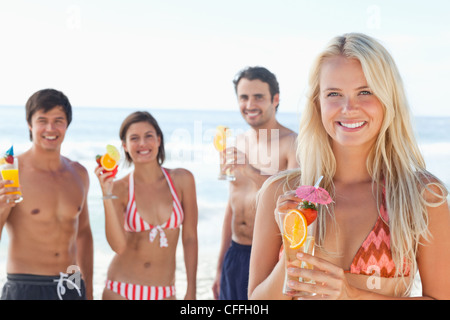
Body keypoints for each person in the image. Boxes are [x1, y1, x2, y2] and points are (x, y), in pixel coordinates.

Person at [248, 33, 450, 300]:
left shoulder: (422, 196)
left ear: (389, 99)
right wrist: (293, 251)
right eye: (334, 93)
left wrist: (352, 295)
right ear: (317, 103)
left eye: (365, 91)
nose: (348, 108)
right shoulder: (282, 193)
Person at [212, 67, 298, 300]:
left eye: (258, 97)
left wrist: (250, 171)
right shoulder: (238, 142)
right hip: (235, 253)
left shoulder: (292, 143)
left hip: (269, 258)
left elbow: (294, 204)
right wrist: (221, 264)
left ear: (275, 99)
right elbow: (232, 206)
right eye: (244, 97)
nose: (250, 104)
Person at [0, 89, 93, 300]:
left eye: (58, 120)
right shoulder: (10, 172)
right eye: (42, 120)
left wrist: (88, 291)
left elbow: (84, 234)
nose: (50, 128)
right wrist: (2, 207)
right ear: (30, 124)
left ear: (67, 124)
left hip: (71, 286)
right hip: (26, 286)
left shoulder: (79, 173)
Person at [96, 111, 198, 300]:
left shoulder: (183, 180)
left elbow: (190, 237)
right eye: (134, 138)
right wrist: (107, 195)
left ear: (159, 140)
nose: (142, 144)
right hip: (121, 289)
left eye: (148, 136)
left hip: (165, 291)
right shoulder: (120, 188)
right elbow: (118, 246)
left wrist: (191, 290)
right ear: (125, 146)